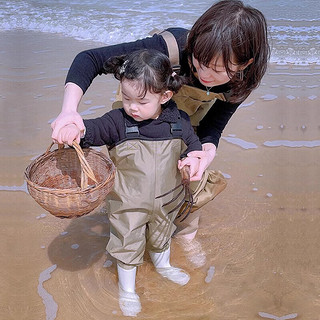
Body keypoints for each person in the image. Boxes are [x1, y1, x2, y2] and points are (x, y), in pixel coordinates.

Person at [51, 0, 270, 240]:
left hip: (186, 120)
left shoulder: (241, 83)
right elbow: (89, 59)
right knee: (136, 176)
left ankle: (185, 236)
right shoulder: (171, 48)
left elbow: (213, 127)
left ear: (245, 64)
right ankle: (126, 228)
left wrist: (204, 155)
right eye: (200, 62)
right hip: (138, 106)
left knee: (188, 181)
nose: (205, 74)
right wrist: (69, 111)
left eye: (217, 71)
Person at [57, 49, 202, 317]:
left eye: (142, 101)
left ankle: (164, 265)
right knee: (127, 242)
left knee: (162, 235)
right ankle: (127, 289)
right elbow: (92, 130)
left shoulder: (178, 121)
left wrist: (193, 158)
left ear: (165, 96)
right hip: (128, 204)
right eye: (126, 98)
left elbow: (193, 145)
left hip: (167, 200)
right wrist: (74, 129)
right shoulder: (118, 122)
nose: (132, 107)